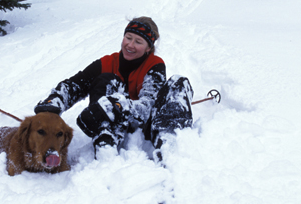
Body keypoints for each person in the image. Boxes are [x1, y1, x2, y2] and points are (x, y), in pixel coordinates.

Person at [34, 17, 194, 160]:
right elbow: (76, 84)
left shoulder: (154, 65)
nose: (130, 45)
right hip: (116, 124)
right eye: (128, 38)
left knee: (179, 82)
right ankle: (105, 138)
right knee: (106, 80)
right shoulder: (108, 62)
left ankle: (169, 147)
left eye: (138, 42)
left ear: (148, 48)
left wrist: (117, 105)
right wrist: (54, 101)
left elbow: (148, 107)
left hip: (144, 126)